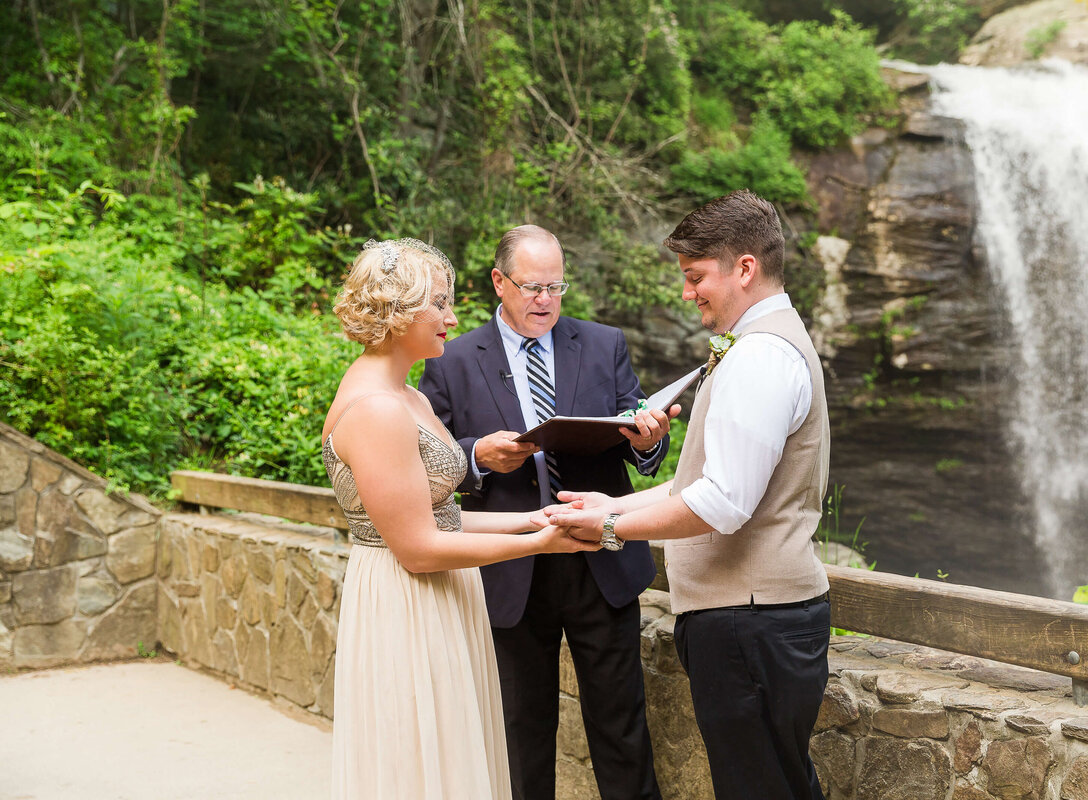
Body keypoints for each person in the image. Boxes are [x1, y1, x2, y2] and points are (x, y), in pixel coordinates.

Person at [549, 189, 832, 800]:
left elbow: (722, 505)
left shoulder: (759, 358)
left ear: (746, 269)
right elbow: (704, 484)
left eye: (696, 276)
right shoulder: (767, 346)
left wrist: (608, 531)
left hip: (750, 624)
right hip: (753, 620)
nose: (687, 292)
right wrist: (611, 504)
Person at [322, 237, 600, 800]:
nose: (452, 317)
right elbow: (419, 547)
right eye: (440, 304)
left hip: (439, 600)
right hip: (406, 603)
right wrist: (540, 545)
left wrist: (535, 520)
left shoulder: (409, 397)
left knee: (453, 759)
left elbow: (442, 516)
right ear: (400, 312)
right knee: (418, 764)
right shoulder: (376, 409)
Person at [419, 225, 671, 800]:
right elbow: (426, 466)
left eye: (556, 286)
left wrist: (646, 439)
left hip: (599, 559)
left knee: (621, 725)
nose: (546, 300)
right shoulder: (452, 361)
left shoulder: (605, 343)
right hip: (512, 568)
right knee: (520, 731)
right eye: (533, 286)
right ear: (498, 282)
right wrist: (476, 457)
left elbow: (645, 450)